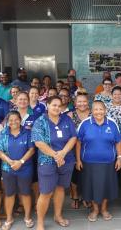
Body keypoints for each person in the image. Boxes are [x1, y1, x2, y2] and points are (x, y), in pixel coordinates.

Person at [32, 96, 77, 229]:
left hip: (66, 160)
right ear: (48, 106)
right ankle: (40, 222)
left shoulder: (66, 119)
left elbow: (73, 137)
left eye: (59, 105)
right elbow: (39, 142)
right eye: (54, 105)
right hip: (47, 161)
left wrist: (62, 153)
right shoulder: (40, 121)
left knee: (60, 188)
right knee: (45, 192)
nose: (57, 108)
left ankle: (58, 216)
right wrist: (56, 155)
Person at [76, 100, 121, 222]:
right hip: (89, 163)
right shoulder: (85, 124)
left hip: (108, 162)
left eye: (101, 109)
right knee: (91, 187)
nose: (98, 112)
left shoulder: (112, 124)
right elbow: (78, 142)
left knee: (106, 187)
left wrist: (119, 158)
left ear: (105, 110)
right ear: (92, 110)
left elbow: (118, 142)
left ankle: (104, 209)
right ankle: (95, 209)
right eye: (96, 109)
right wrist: (78, 160)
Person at [0, 111, 35, 230]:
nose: (13, 122)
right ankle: (9, 218)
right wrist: (10, 162)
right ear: (7, 121)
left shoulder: (27, 132)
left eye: (16, 119)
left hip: (25, 168)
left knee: (26, 193)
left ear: (20, 119)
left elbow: (31, 150)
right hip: (8, 169)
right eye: (10, 120)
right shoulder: (3, 133)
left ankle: (27, 217)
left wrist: (20, 162)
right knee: (9, 194)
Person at [67, 92, 91, 209]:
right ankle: (75, 196)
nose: (82, 104)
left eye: (84, 101)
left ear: (88, 103)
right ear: (75, 103)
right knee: (74, 174)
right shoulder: (70, 115)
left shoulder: (93, 114)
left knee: (87, 174)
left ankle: (87, 196)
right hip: (72, 148)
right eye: (79, 101)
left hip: (89, 148)